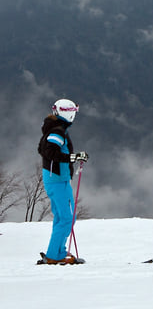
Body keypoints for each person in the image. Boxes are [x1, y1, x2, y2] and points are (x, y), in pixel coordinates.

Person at [37, 99, 87, 264]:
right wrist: (72, 157)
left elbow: (42, 149)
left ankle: (56, 252)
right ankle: (54, 255)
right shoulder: (57, 132)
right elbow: (49, 152)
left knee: (62, 216)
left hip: (56, 179)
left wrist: (73, 157)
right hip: (58, 180)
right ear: (69, 112)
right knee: (66, 217)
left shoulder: (55, 129)